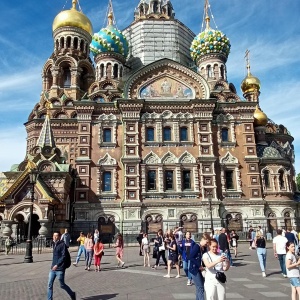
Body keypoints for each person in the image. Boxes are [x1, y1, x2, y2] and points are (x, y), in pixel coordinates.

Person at [47, 231, 76, 300]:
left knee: (62, 285)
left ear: (59, 237)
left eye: (56, 236)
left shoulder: (62, 244)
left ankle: (72, 294)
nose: (55, 237)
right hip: (53, 268)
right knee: (49, 285)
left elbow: (63, 256)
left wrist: (57, 264)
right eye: (54, 235)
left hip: (60, 268)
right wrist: (53, 265)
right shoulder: (54, 244)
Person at [189, 233, 210, 300]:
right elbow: (190, 257)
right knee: (200, 287)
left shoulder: (203, 248)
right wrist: (199, 265)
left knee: (199, 288)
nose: (207, 244)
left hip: (200, 269)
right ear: (203, 239)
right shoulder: (197, 246)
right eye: (206, 242)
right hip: (194, 269)